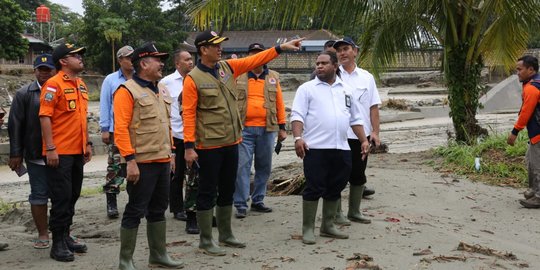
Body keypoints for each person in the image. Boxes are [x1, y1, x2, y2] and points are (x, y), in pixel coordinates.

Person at [182, 30, 302, 256]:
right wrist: (189, 147)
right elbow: (188, 114)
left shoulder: (228, 68)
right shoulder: (193, 79)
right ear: (203, 50)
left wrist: (280, 48)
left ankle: (226, 235)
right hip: (208, 145)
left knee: (228, 189)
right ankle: (206, 240)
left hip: (231, 140)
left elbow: (255, 59)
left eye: (220, 45)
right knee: (208, 191)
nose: (220, 49)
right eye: (215, 45)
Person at [114, 42, 183, 269]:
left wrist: (172, 152)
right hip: (141, 162)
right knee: (135, 209)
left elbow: (168, 125)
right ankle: (126, 261)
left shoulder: (161, 89)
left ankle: (158, 254)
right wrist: (130, 161)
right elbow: (121, 129)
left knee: (158, 209)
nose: (162, 63)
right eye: (157, 60)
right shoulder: (126, 91)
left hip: (162, 160)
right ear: (143, 64)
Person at [291, 51, 370, 245]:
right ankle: (308, 228)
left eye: (324, 63)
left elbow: (355, 119)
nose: (319, 66)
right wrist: (298, 138)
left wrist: (363, 140)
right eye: (317, 63)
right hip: (315, 148)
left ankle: (328, 225)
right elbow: (297, 115)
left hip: (341, 148)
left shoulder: (346, 90)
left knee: (335, 186)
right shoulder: (307, 89)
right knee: (314, 187)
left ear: (335, 66)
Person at [39, 43, 92, 262]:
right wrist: (50, 148)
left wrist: (87, 144)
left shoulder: (80, 84)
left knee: (72, 195)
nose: (80, 58)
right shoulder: (53, 85)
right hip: (59, 153)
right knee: (61, 198)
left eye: (81, 54)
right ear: (63, 61)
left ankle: (67, 235)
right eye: (75, 55)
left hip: (77, 151)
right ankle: (57, 243)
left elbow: (82, 118)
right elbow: (44, 117)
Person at [233, 43, 287, 218]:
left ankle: (258, 200)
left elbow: (279, 103)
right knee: (242, 166)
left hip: (268, 128)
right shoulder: (238, 75)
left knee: (264, 166)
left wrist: (282, 127)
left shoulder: (273, 77)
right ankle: (241, 203)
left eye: (259, 54)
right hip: (243, 129)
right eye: (253, 54)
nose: (256, 57)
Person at [8, 54, 56, 249]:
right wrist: (16, 153)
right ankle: (43, 234)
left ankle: (63, 232)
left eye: (48, 69)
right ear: (34, 71)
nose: (44, 72)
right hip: (36, 153)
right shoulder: (23, 93)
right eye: (41, 69)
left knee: (62, 195)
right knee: (38, 194)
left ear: (54, 70)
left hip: (61, 153)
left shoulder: (60, 90)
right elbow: (15, 125)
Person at [333, 37, 381, 224]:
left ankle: (354, 211)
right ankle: (336, 214)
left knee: (358, 174)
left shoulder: (367, 77)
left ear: (355, 51)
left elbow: (373, 107)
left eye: (346, 49)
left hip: (361, 136)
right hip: (338, 135)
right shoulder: (333, 76)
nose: (342, 53)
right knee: (337, 175)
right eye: (339, 50)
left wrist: (375, 132)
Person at [161, 48, 198, 233]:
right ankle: (177, 208)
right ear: (177, 64)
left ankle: (192, 204)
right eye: (186, 60)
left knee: (194, 173)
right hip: (176, 134)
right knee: (177, 174)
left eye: (191, 59)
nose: (190, 62)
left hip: (195, 134)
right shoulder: (166, 83)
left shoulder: (197, 79)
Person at [99, 45, 134, 219]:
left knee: (136, 165)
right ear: (120, 60)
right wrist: (105, 129)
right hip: (117, 131)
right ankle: (111, 201)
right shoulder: (111, 80)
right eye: (128, 57)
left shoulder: (140, 78)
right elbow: (105, 105)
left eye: (133, 57)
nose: (131, 61)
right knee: (115, 166)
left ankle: (134, 201)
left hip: (137, 132)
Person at [508, 55, 540, 208]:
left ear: (531, 70)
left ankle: (538, 197)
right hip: (536, 132)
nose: (517, 73)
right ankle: (533, 190)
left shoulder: (532, 88)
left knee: (536, 164)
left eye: (520, 69)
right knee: (530, 160)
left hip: (538, 133)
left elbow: (526, 113)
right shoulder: (533, 83)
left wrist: (514, 132)